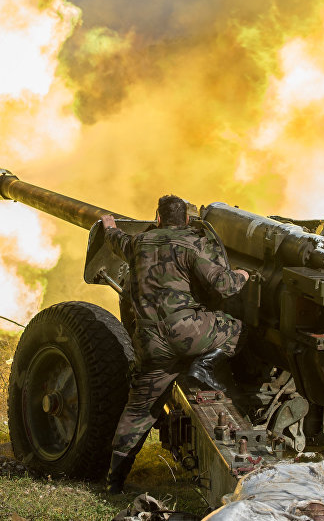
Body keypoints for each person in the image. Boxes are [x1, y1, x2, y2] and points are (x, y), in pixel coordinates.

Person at [101, 194, 249, 493]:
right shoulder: (191, 245)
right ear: (185, 220)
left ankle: (114, 480)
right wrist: (244, 275)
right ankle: (203, 366)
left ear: (157, 218)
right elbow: (225, 285)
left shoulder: (138, 245)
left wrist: (109, 226)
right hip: (188, 332)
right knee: (235, 327)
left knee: (139, 411)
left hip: (150, 343)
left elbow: (116, 239)